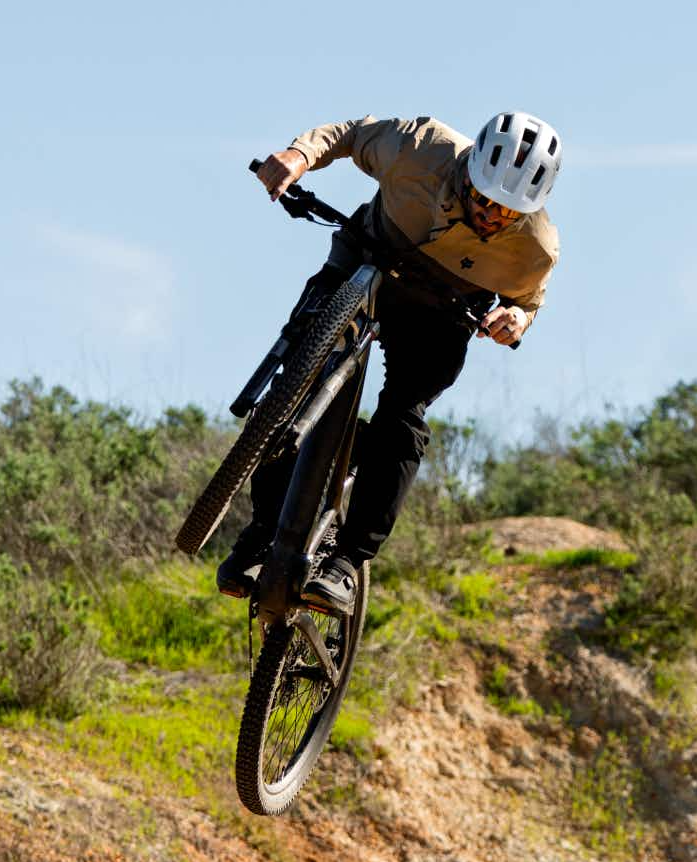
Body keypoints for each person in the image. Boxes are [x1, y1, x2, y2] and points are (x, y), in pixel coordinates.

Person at [218, 111, 561, 612]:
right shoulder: (420, 147)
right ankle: (263, 534)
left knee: (403, 417)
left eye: (507, 213)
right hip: (366, 258)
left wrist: (515, 318)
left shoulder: (536, 247)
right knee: (295, 384)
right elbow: (350, 135)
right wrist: (300, 155)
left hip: (442, 309)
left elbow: (528, 301)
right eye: (485, 200)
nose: (491, 217)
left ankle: (346, 563)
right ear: (469, 172)